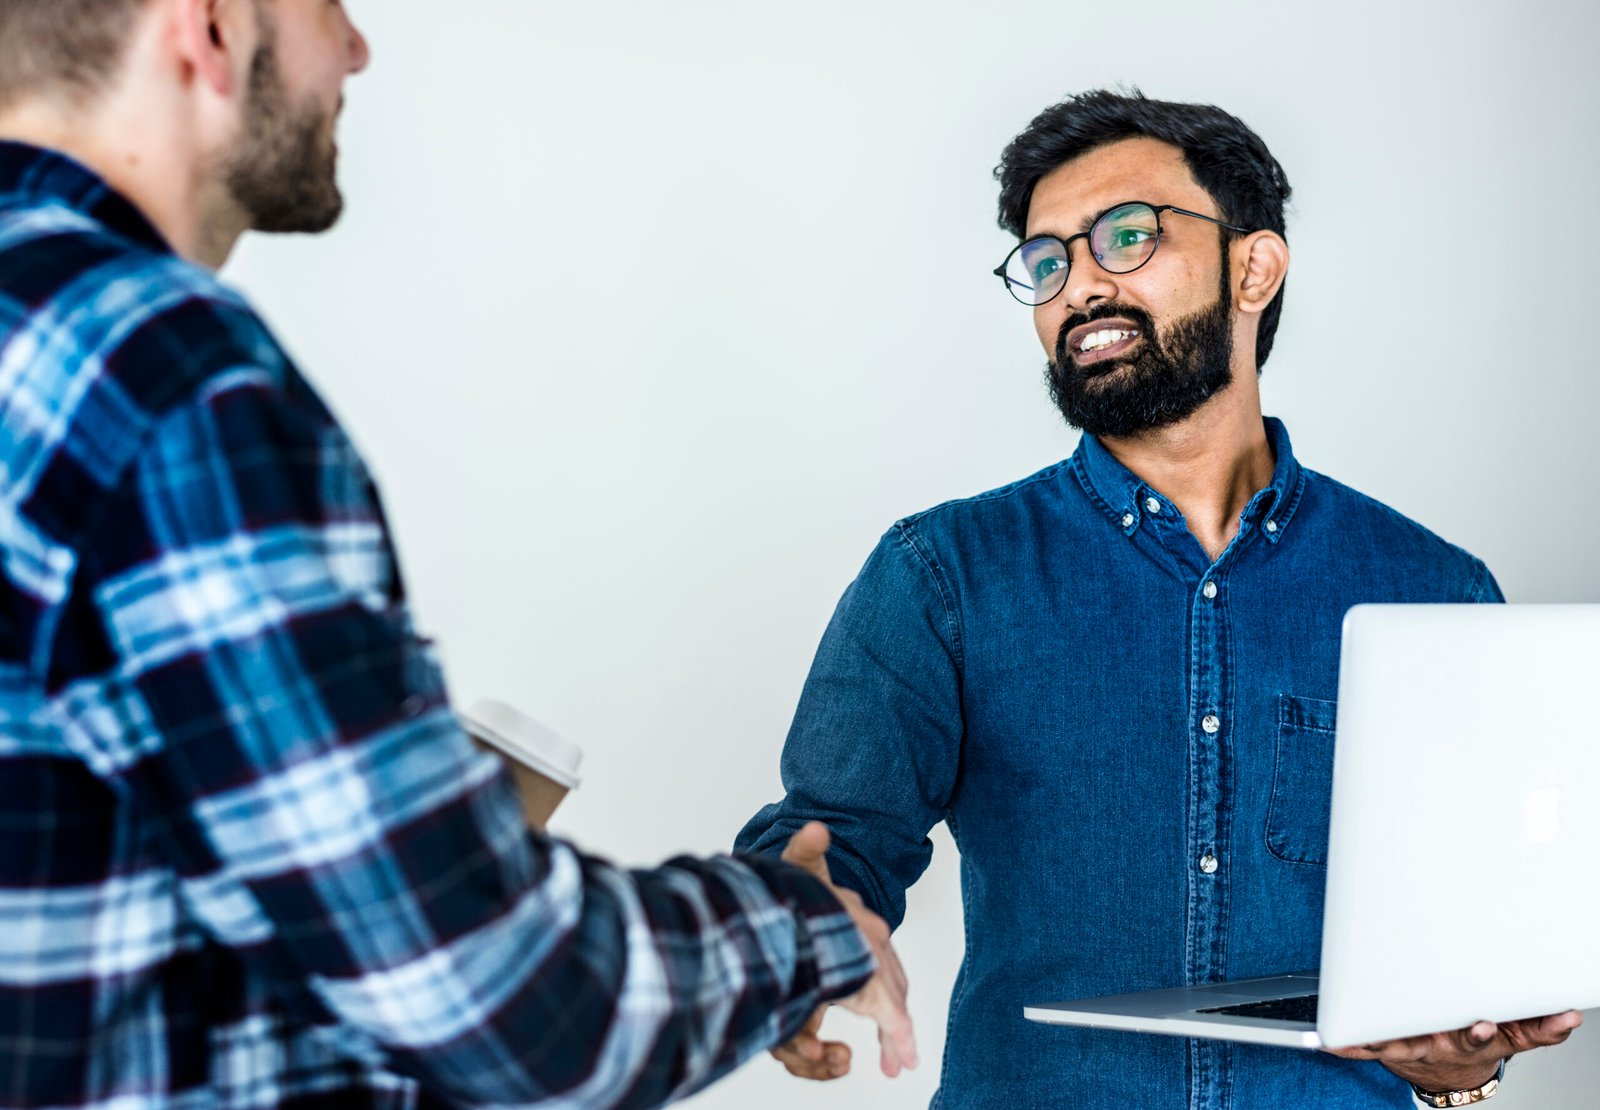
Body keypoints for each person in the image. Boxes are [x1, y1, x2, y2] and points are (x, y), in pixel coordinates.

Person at [0, 1, 916, 1107]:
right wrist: (810, 928)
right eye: (326, 9)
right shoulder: (165, 378)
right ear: (211, 26)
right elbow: (507, 1002)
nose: (355, 48)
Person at [736, 89, 1580, 1108]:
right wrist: (797, 926)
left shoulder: (1434, 592)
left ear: (1253, 267)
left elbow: (1469, 948)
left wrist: (1463, 1062)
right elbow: (835, 835)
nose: (1078, 284)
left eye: (1125, 237)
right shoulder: (941, 573)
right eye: (1047, 261)